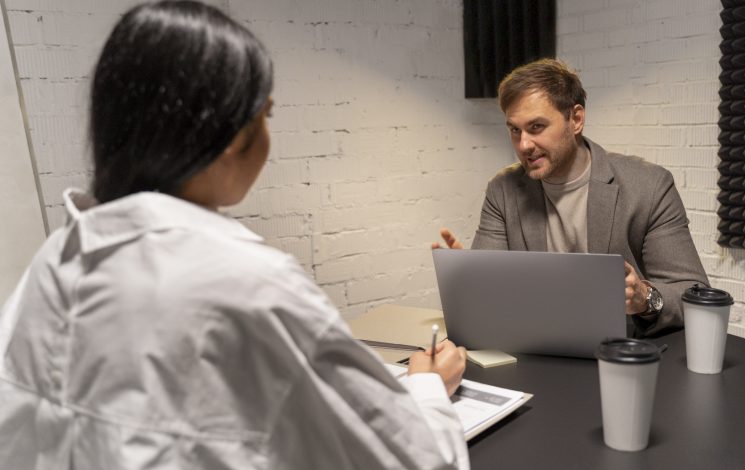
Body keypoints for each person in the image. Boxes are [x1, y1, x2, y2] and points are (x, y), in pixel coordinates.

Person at [0, 2, 469, 469]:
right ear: (224, 134)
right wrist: (428, 386)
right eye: (264, 116)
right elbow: (414, 459)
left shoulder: (53, 261)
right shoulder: (246, 283)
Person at [434, 58, 708, 338]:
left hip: (620, 357)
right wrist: (470, 283)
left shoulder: (648, 186)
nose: (524, 144)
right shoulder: (502, 190)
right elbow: (492, 300)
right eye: (515, 130)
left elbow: (693, 294)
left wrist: (644, 298)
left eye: (537, 127)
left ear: (576, 119)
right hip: (536, 352)